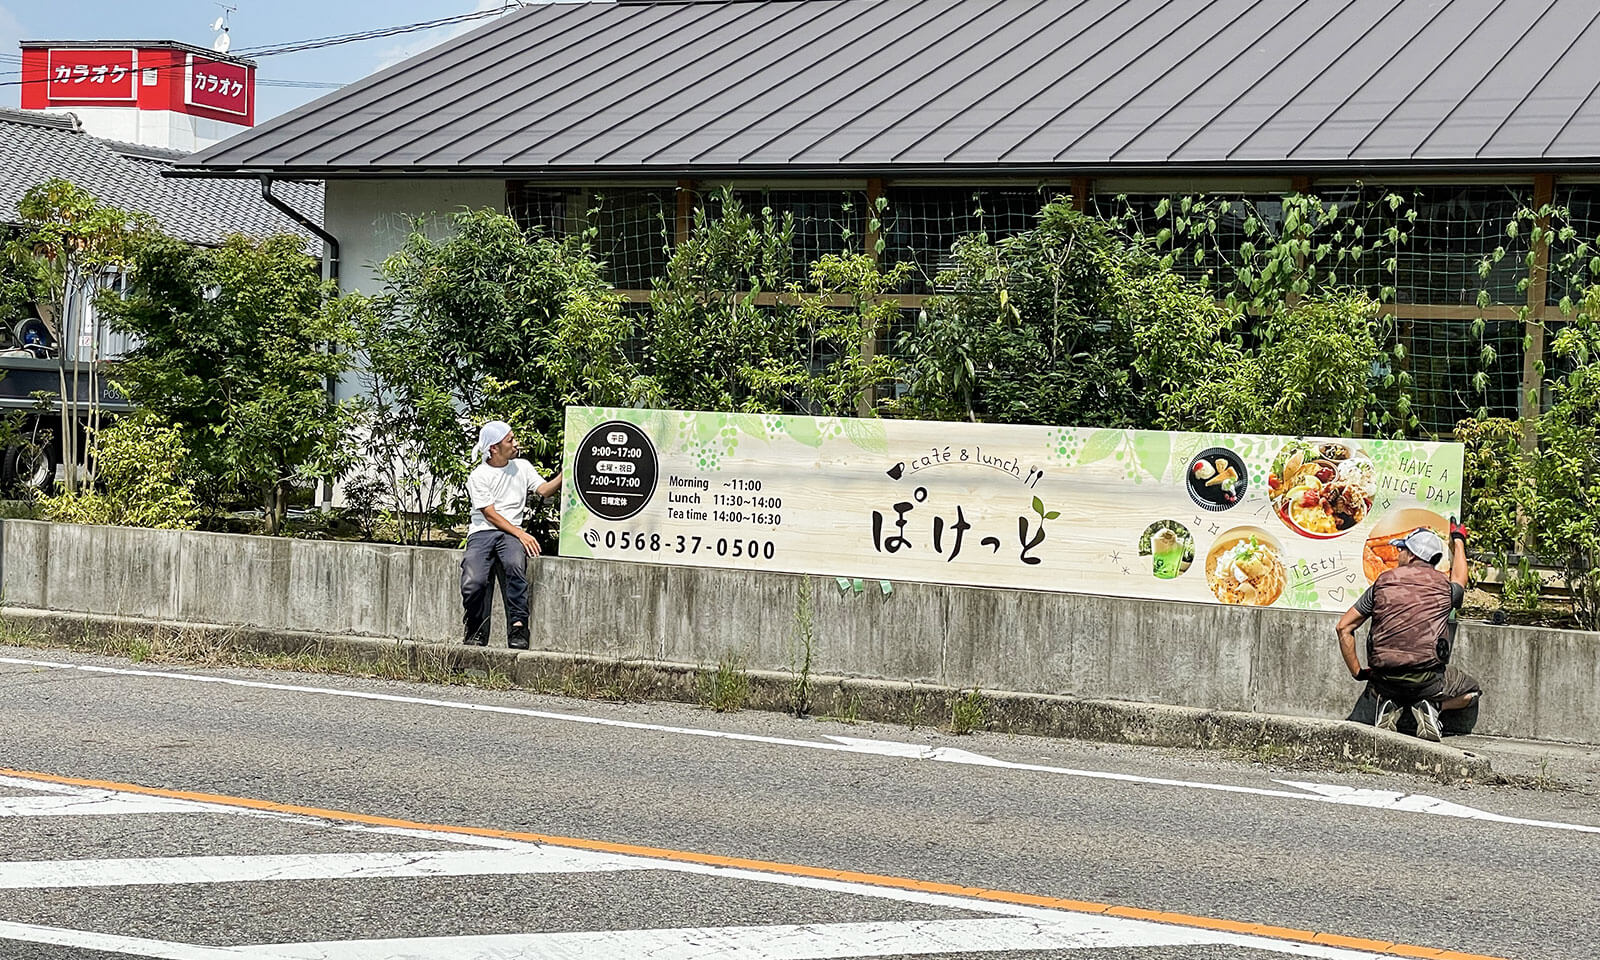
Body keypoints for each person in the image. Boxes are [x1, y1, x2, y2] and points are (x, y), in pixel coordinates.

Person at [1335, 518, 1483, 742]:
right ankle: (1433, 706)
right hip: (1427, 682)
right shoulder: (1444, 588)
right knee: (1472, 692)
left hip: (1383, 680)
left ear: (1413, 554)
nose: (1398, 554)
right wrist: (1459, 540)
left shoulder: (1382, 582)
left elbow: (1343, 627)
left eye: (1401, 549)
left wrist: (1358, 672)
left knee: (1388, 684)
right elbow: (1460, 579)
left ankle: (1389, 704)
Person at [461, 420, 563, 648]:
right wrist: (522, 534)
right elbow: (490, 515)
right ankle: (474, 626)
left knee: (515, 567)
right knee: (473, 580)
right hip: (483, 532)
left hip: (509, 535)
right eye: (510, 440)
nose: (516, 444)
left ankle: (518, 628)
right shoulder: (479, 475)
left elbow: (544, 490)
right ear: (494, 448)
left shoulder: (522, 467)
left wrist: (565, 473)